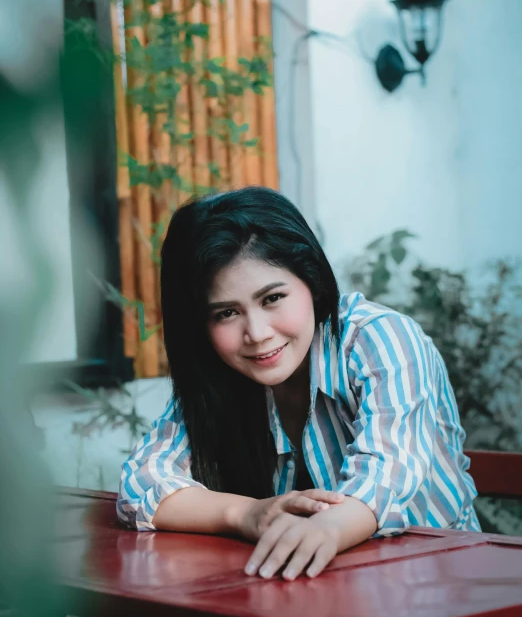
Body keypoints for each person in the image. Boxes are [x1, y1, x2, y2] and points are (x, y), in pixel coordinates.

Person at [118, 186, 480, 583]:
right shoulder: (219, 373)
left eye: (272, 298)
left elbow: (384, 480)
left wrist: (325, 527)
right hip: (311, 597)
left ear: (312, 280)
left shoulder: (380, 339)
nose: (256, 333)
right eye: (226, 313)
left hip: (440, 593)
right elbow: (142, 483)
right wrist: (247, 514)